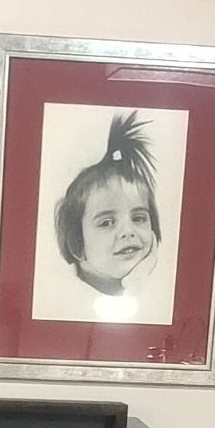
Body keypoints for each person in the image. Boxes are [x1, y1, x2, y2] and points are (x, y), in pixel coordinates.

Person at [53, 113, 164, 303]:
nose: (128, 231)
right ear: (76, 242)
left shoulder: (155, 285)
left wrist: (139, 280)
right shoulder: (62, 296)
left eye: (138, 218)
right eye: (107, 223)